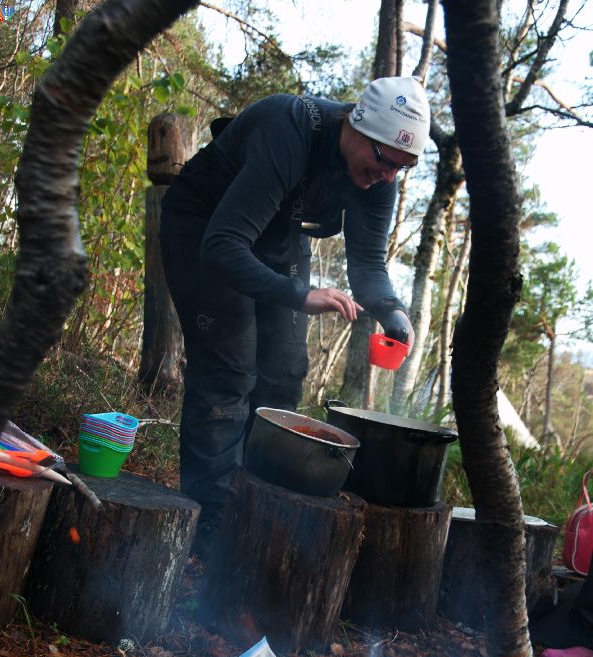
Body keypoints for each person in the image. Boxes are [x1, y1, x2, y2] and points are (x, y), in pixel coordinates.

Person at [159, 75, 430, 557]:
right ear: (356, 125)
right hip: (206, 230)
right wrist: (301, 296)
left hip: (277, 239)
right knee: (229, 371)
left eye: (402, 167)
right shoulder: (289, 128)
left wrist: (393, 310)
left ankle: (254, 508)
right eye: (385, 161)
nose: (388, 176)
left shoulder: (379, 173)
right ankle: (211, 526)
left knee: (283, 374)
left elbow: (368, 264)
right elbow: (223, 245)